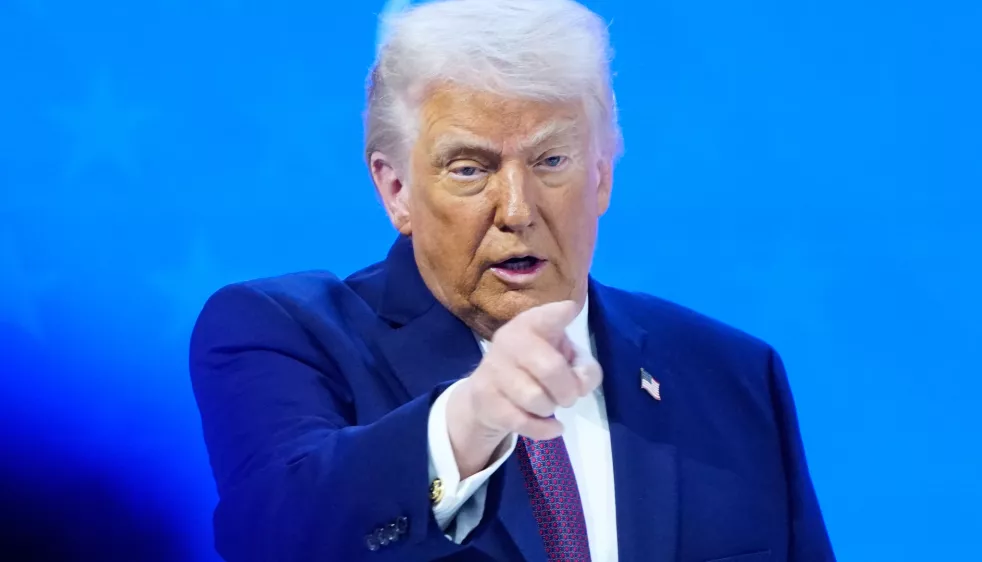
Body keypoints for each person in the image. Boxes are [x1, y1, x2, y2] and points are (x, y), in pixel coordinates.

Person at [189, 0, 836, 560]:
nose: (518, 209)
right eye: (470, 168)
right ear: (396, 190)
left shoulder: (733, 376)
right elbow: (277, 535)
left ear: (603, 174)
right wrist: (473, 416)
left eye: (552, 159)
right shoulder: (281, 334)